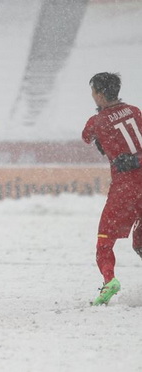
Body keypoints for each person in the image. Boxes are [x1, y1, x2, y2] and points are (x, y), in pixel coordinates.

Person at [81, 72, 142, 306]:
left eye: (93, 92)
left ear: (99, 94)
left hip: (125, 187)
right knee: (139, 241)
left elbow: (86, 136)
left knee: (104, 239)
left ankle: (110, 280)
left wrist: (100, 131)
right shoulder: (135, 111)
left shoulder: (97, 121)